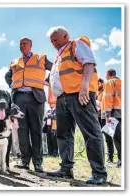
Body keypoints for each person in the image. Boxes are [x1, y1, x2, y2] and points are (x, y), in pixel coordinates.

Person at [46, 26, 107, 185]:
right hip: (63, 98)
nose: (54, 43)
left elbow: (89, 63)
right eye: (51, 41)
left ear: (66, 36)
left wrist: (84, 87)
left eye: (56, 39)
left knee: (91, 132)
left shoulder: (77, 44)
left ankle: (99, 173)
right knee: (63, 134)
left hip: (80, 95)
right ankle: (66, 169)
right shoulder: (60, 55)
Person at [5, 37, 53, 173]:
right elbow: (8, 76)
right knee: (21, 130)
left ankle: (38, 162)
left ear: (30, 45)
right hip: (19, 98)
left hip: (35, 98)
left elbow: (55, 68)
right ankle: (25, 161)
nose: (22, 46)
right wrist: (11, 85)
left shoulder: (40, 58)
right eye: (20, 44)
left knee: (36, 130)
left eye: (24, 43)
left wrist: (47, 81)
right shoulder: (15, 62)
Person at [102, 69, 121, 167]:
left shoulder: (110, 82)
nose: (105, 76)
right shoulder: (121, 82)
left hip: (114, 113)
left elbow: (108, 99)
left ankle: (121, 160)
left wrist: (107, 116)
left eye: (105, 74)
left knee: (117, 137)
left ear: (109, 75)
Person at [97, 78, 114, 163]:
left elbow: (103, 103)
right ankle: (101, 157)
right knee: (99, 137)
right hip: (98, 117)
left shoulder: (104, 92)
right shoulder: (97, 93)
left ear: (102, 83)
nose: (97, 85)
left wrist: (97, 102)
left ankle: (110, 158)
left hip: (105, 117)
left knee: (108, 137)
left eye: (99, 84)